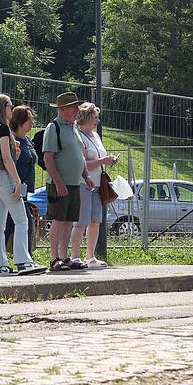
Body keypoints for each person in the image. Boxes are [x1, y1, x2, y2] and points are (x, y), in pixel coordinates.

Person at [0, 95, 44, 276]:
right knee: (22, 220)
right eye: (10, 105)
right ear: (3, 108)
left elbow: (4, 156)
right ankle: (23, 261)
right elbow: (6, 159)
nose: (12, 108)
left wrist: (14, 152)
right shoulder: (2, 129)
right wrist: (17, 181)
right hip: (3, 178)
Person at [43, 91, 87, 272]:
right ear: (63, 109)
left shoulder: (74, 127)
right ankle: (54, 259)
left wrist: (86, 176)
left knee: (69, 220)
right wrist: (58, 182)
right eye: (73, 107)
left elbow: (80, 156)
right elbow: (48, 157)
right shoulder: (54, 128)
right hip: (59, 184)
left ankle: (64, 256)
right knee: (58, 220)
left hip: (74, 183)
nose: (77, 110)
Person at [70, 103, 118, 269]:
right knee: (81, 221)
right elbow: (83, 165)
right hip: (84, 183)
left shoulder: (95, 136)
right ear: (86, 118)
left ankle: (90, 257)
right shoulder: (79, 136)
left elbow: (99, 159)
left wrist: (109, 160)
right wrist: (102, 161)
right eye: (95, 117)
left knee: (95, 221)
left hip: (98, 184)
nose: (98, 120)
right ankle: (75, 256)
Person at [4, 105, 37, 254]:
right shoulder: (12, 141)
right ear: (19, 121)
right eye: (28, 119)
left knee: (10, 223)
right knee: (26, 223)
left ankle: (3, 255)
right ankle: (26, 258)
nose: (32, 122)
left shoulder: (28, 140)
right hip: (14, 188)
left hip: (23, 189)